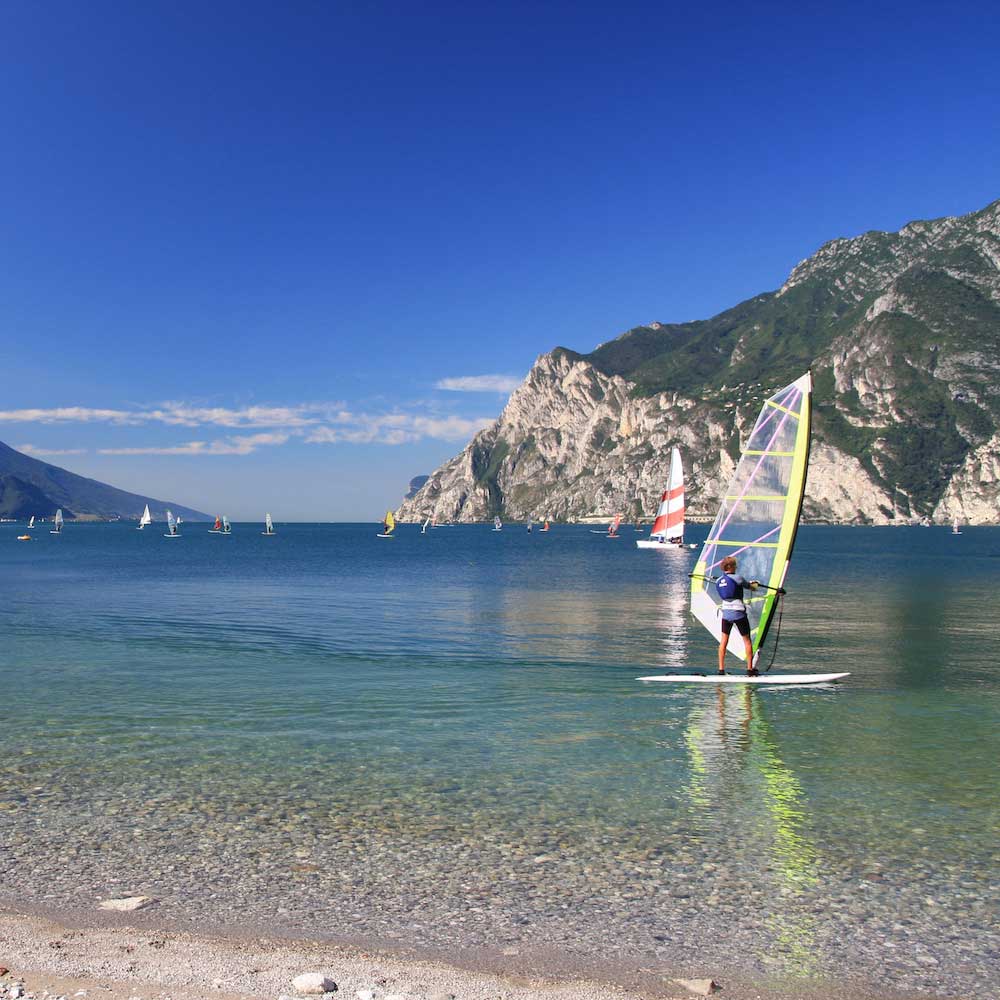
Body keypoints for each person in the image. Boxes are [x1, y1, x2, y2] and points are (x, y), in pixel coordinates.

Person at [716, 556, 760, 676]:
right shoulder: (738, 578)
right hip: (739, 613)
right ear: (730, 566)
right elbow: (751, 588)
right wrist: (755, 585)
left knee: (724, 641)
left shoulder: (718, 580)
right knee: (747, 641)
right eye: (735, 565)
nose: (736, 567)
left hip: (726, 614)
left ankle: (721, 670)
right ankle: (750, 669)